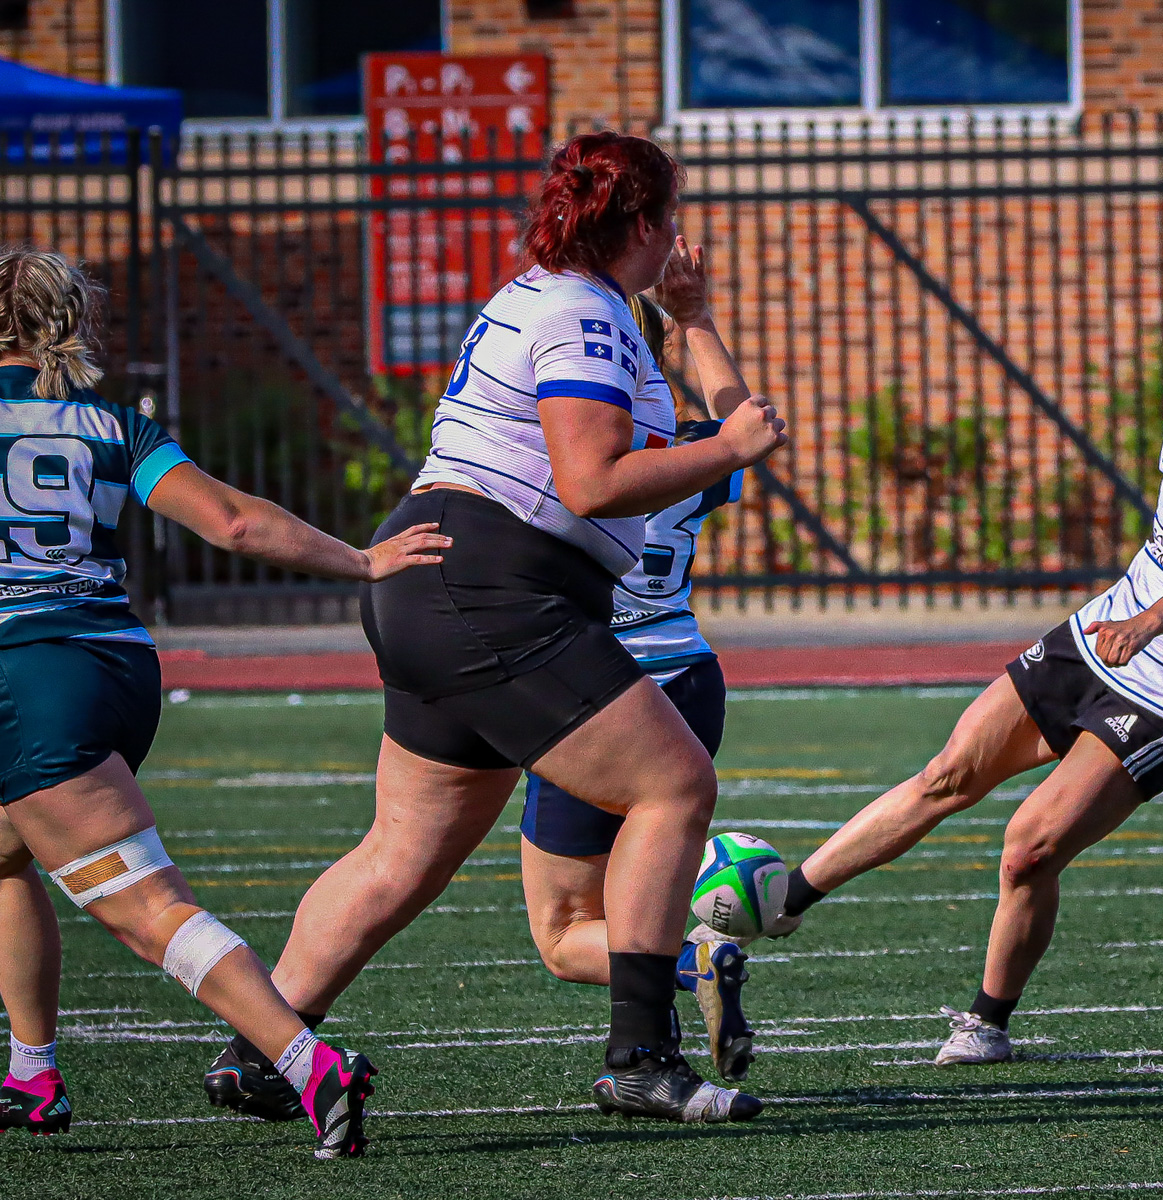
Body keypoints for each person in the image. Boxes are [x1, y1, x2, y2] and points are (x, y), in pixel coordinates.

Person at [200, 131, 786, 1125]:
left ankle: (269, 1049)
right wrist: (722, 445)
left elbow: (714, 438)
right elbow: (591, 482)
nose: (680, 234)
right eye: (671, 214)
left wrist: (694, 330)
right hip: (494, 585)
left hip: (440, 577)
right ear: (640, 223)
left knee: (403, 852)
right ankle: (641, 1053)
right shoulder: (585, 312)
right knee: (676, 783)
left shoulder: (551, 295)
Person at [764, 304, 1163, 1064]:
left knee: (1028, 849)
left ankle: (987, 1023)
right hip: (1094, 642)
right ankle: (784, 902)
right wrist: (1129, 621)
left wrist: (1151, 623)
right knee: (947, 773)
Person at [0, 246, 448, 1154]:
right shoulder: (114, 426)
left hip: (26, 671)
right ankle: (30, 1071)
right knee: (6, 856)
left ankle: (307, 1061)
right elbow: (233, 521)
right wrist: (358, 559)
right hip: (114, 668)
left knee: (147, 908)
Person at [518, 254, 758, 1084]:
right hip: (688, 677)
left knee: (561, 930)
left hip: (593, 686)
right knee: (641, 882)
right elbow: (744, 428)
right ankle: (673, 996)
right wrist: (696, 319)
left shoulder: (553, 452)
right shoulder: (689, 454)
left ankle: (689, 966)